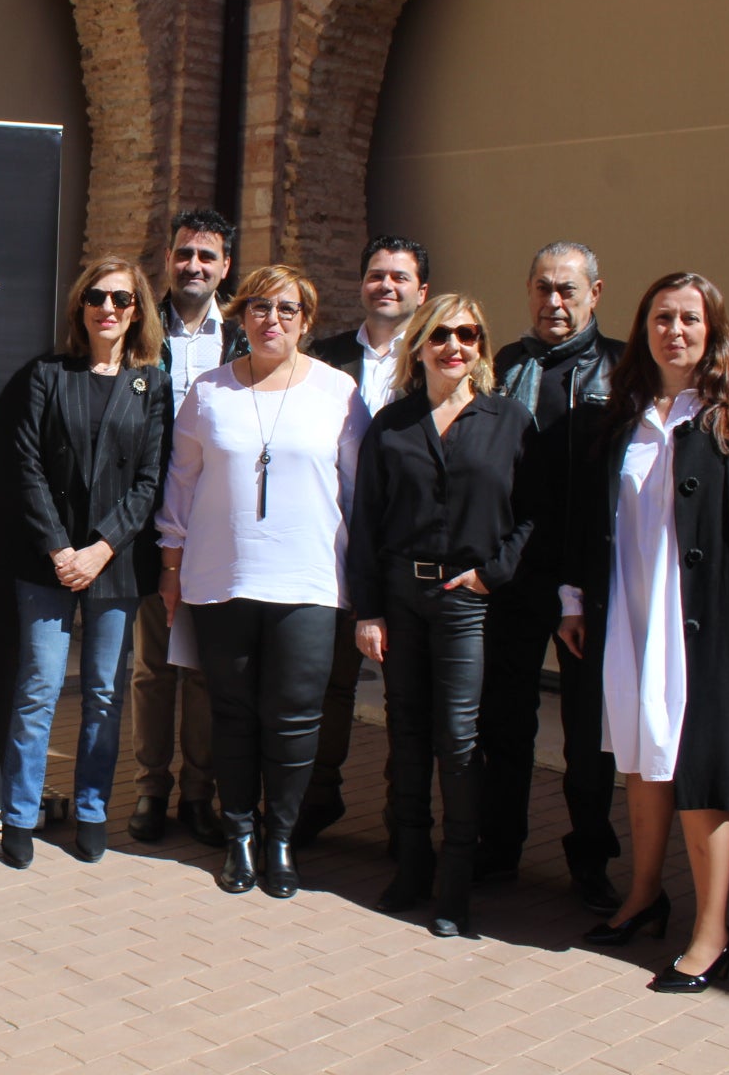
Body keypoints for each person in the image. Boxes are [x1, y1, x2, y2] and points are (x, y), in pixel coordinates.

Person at [559, 272, 729, 993]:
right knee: (641, 759)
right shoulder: (620, 420)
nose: (675, 331)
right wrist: (574, 598)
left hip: (708, 624)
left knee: (703, 770)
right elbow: (587, 519)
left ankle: (712, 932)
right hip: (630, 615)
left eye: (690, 318)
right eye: (662, 318)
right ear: (644, 329)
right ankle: (644, 897)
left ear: (712, 329)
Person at [158, 265, 369, 900]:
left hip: (309, 581)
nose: (270, 319)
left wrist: (365, 583)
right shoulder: (209, 391)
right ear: (241, 317)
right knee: (232, 715)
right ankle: (240, 836)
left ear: (306, 321)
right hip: (222, 578)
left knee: (294, 718)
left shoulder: (338, 392)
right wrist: (171, 569)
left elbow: (359, 492)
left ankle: (281, 838)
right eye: (258, 307)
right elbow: (180, 486)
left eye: (286, 309)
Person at [348, 293, 535, 937]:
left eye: (468, 335)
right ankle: (411, 868)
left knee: (457, 740)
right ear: (420, 345)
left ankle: (455, 883)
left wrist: (493, 573)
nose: (455, 346)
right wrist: (369, 610)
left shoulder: (510, 420)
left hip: (465, 602)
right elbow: (367, 523)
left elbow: (533, 513)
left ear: (481, 346)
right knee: (406, 734)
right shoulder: (392, 425)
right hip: (401, 597)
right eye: (441, 335)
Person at [1, 257, 170, 869]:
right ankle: (20, 815)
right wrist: (60, 548)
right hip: (48, 560)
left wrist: (101, 548)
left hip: (115, 564)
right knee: (39, 689)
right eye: (97, 297)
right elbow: (26, 465)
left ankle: (94, 809)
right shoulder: (48, 374)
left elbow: (151, 480)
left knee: (103, 694)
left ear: (137, 310)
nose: (108, 308)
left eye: (121, 299)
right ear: (81, 305)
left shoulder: (153, 383)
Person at [480, 241, 624, 910]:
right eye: (543, 287)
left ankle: (591, 859)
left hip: (590, 580)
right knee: (504, 722)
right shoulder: (504, 364)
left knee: (587, 733)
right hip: (515, 576)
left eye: (568, 289)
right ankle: (498, 847)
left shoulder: (622, 369)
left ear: (596, 293)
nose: (554, 302)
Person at [297, 235, 429, 846]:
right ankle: (316, 799)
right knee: (328, 684)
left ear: (422, 290)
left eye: (400, 277)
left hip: (407, 549)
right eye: (377, 275)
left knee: (408, 694)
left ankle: (404, 819)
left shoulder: (436, 356)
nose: (387, 286)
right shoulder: (322, 358)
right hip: (332, 546)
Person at [127, 209, 243, 848]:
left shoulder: (244, 336)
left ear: (225, 267)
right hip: (152, 521)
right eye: (183, 254)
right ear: (168, 259)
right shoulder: (141, 328)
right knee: (152, 667)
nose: (193, 265)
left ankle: (200, 793)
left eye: (206, 256)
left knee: (204, 668)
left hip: (220, 522)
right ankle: (150, 788)